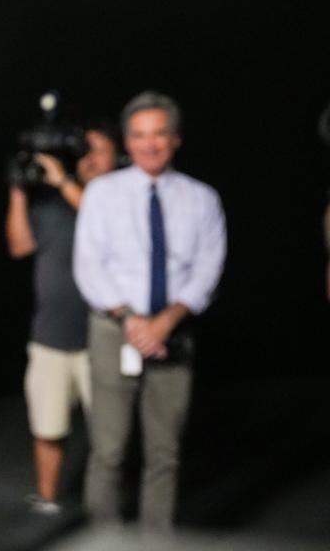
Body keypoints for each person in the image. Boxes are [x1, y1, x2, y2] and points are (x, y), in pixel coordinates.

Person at [74, 91, 227, 531]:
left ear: (175, 139)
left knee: (165, 453)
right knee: (109, 451)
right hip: (114, 329)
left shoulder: (202, 198)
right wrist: (132, 321)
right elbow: (89, 265)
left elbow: (208, 268)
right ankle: (100, 541)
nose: (150, 144)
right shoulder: (102, 193)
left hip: (173, 331)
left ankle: (157, 543)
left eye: (159, 134)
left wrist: (166, 321)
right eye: (140, 135)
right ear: (127, 141)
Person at [5, 123, 119, 514]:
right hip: (49, 336)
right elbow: (19, 246)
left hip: (101, 338)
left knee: (110, 434)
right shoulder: (51, 204)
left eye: (99, 150)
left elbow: (104, 227)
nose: (89, 157)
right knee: (47, 426)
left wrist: (65, 181)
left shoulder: (118, 202)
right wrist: (19, 191)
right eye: (83, 149)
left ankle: (107, 511)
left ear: (117, 156)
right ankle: (47, 500)